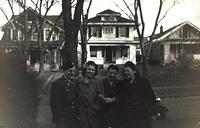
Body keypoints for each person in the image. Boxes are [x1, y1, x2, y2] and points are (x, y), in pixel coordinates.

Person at [115, 61, 156, 128]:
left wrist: (149, 113)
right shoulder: (122, 84)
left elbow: (152, 98)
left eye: (128, 71)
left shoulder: (143, 82)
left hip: (141, 117)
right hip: (127, 118)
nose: (126, 73)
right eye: (125, 71)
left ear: (134, 71)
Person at [50, 62, 80, 128]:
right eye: (70, 71)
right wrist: (58, 118)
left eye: (74, 71)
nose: (72, 73)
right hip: (63, 116)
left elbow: (77, 99)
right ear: (64, 71)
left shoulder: (76, 82)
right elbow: (54, 104)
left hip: (74, 115)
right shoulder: (57, 84)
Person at [78, 61, 104, 128]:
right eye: (89, 69)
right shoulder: (79, 81)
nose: (91, 71)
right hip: (82, 113)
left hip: (94, 113)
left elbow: (101, 96)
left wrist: (96, 107)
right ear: (86, 69)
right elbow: (76, 96)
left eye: (93, 70)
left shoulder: (98, 82)